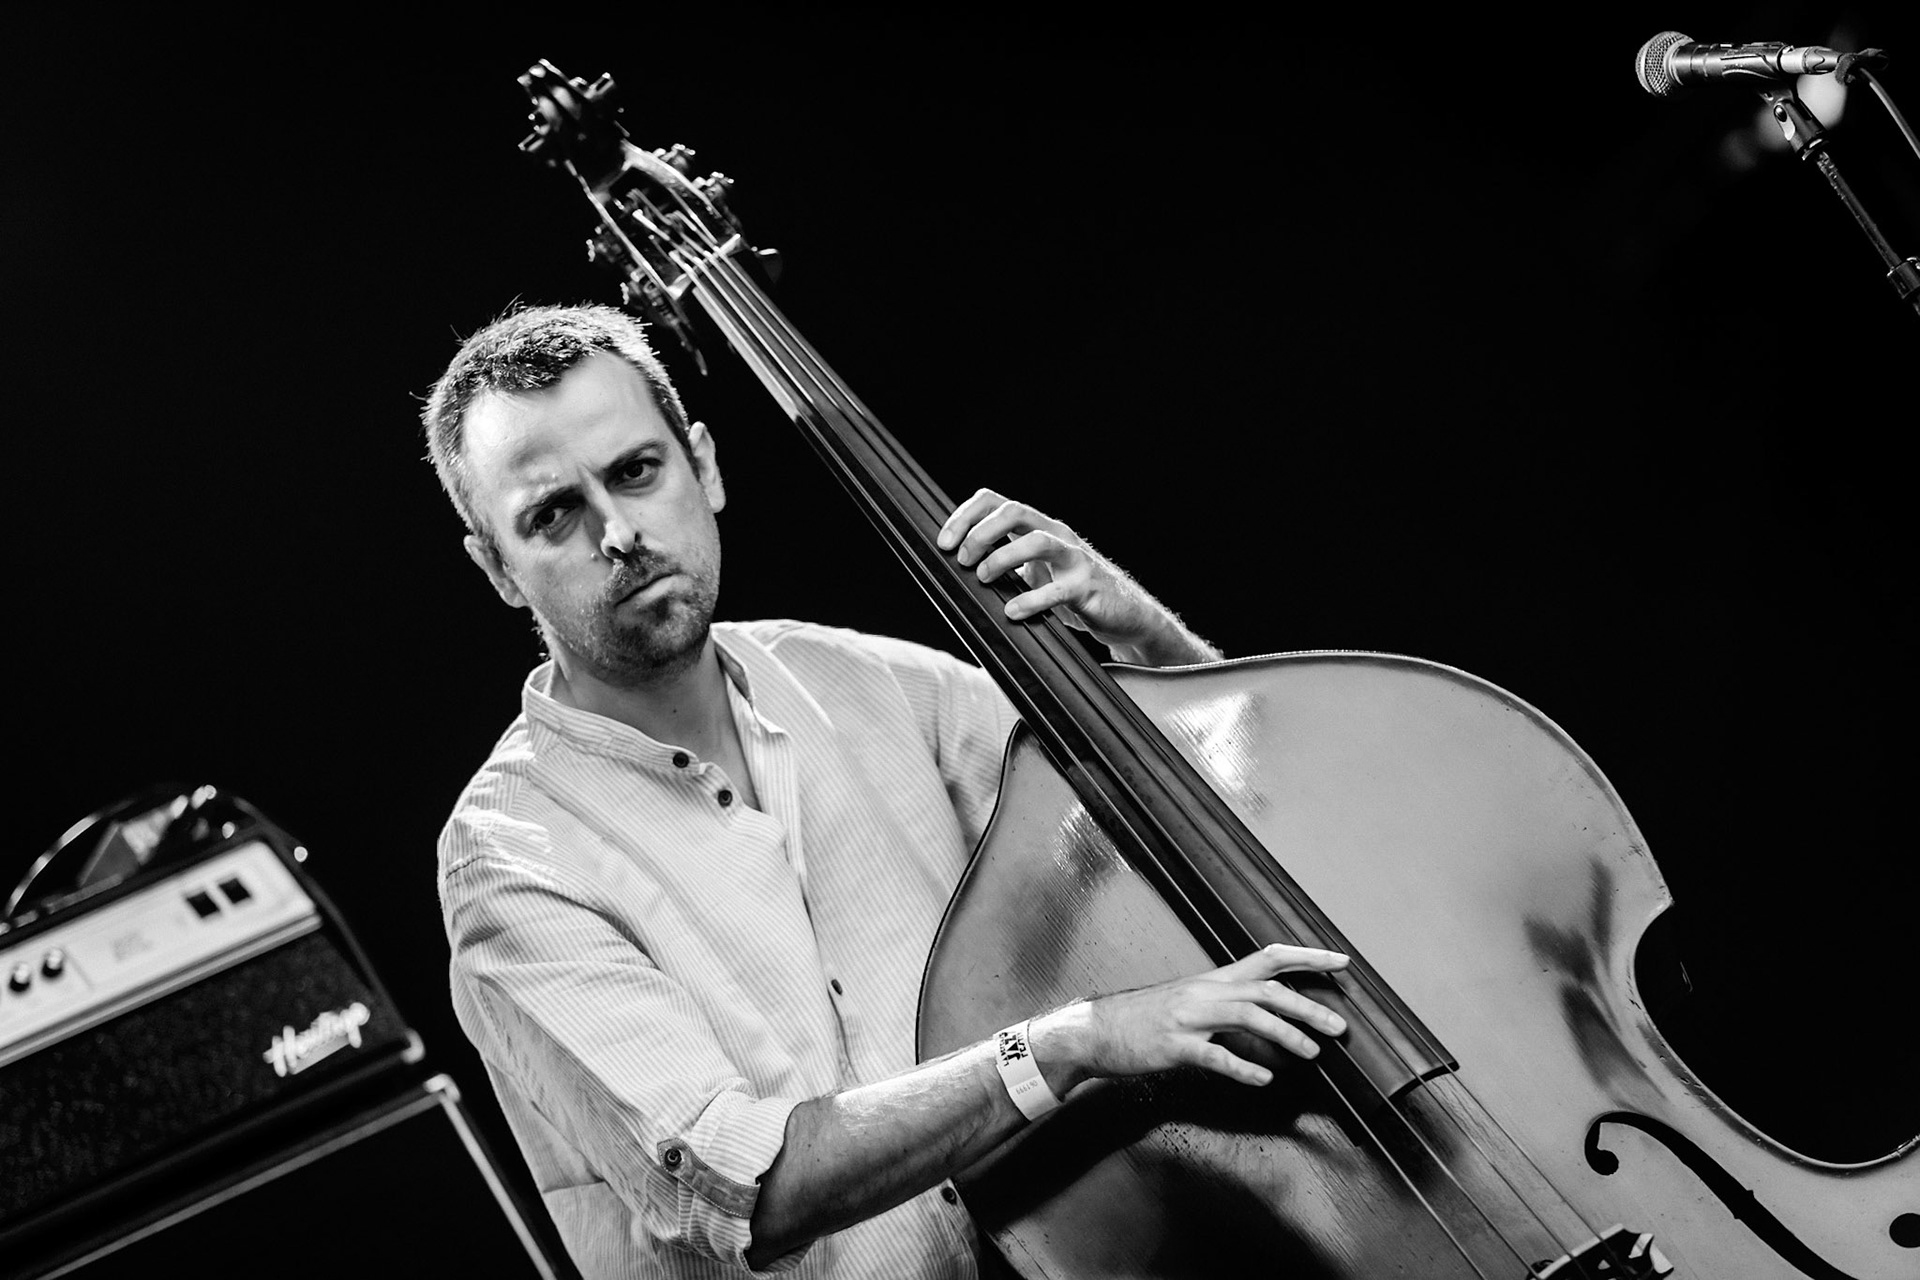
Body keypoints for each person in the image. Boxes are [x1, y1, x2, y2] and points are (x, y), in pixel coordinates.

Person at [425, 302, 1350, 1279]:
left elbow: (1213, 836)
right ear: (496, 566)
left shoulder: (871, 684)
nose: (618, 532)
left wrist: (1145, 644)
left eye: (635, 471)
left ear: (704, 465)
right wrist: (1076, 1041)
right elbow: (740, 1187)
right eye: (551, 514)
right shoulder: (507, 862)